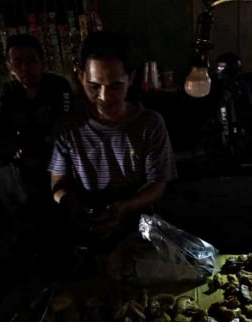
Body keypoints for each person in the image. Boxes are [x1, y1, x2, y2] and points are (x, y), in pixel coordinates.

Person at [48, 31, 178, 251]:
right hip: (87, 230)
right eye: (94, 86)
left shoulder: (150, 124)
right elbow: (58, 181)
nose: (104, 97)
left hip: (141, 228)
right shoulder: (68, 126)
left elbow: (157, 184)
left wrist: (123, 208)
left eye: (115, 86)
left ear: (131, 78)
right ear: (80, 77)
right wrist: (71, 204)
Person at [0, 33, 75, 222]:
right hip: (26, 167)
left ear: (42, 62)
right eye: (17, 62)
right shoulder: (10, 92)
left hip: (58, 163)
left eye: (31, 61)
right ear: (9, 66)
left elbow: (65, 125)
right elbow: (4, 131)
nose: (24, 68)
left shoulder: (58, 86)